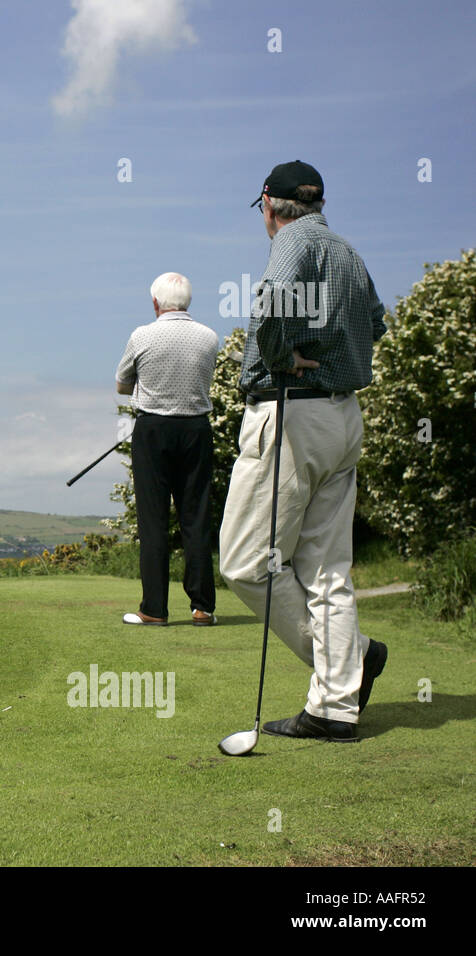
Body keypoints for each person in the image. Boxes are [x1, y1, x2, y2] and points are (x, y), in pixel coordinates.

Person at [219, 160, 388, 741]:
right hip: (344, 416)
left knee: (245, 563)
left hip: (292, 413)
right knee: (326, 571)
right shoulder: (349, 252)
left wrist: (283, 355)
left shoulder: (292, 241)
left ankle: (352, 662)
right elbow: (378, 324)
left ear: (270, 204)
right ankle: (336, 706)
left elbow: (271, 307)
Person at [115, 273, 220, 627]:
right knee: (196, 518)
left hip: (153, 431)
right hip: (195, 429)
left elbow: (121, 384)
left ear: (156, 303)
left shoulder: (141, 335)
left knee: (154, 521)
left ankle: (155, 609)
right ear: (187, 302)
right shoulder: (209, 337)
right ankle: (203, 607)